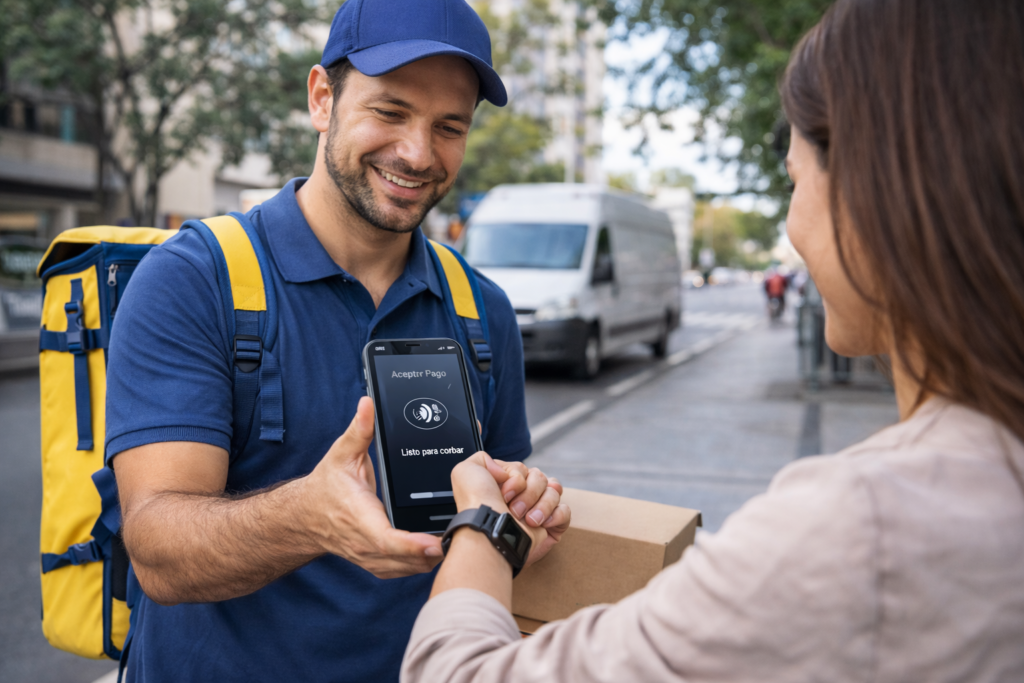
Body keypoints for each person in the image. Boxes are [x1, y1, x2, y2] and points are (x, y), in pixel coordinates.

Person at [400, 0, 1024, 680]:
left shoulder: (859, 525)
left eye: (794, 179)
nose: (791, 225)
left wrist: (484, 527)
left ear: (875, 190)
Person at [103, 1, 565, 681]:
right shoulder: (194, 279)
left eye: (449, 126)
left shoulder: (482, 310)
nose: (417, 152)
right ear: (323, 98)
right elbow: (157, 551)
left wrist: (520, 512)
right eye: (390, 110)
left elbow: (490, 527)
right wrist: (307, 518)